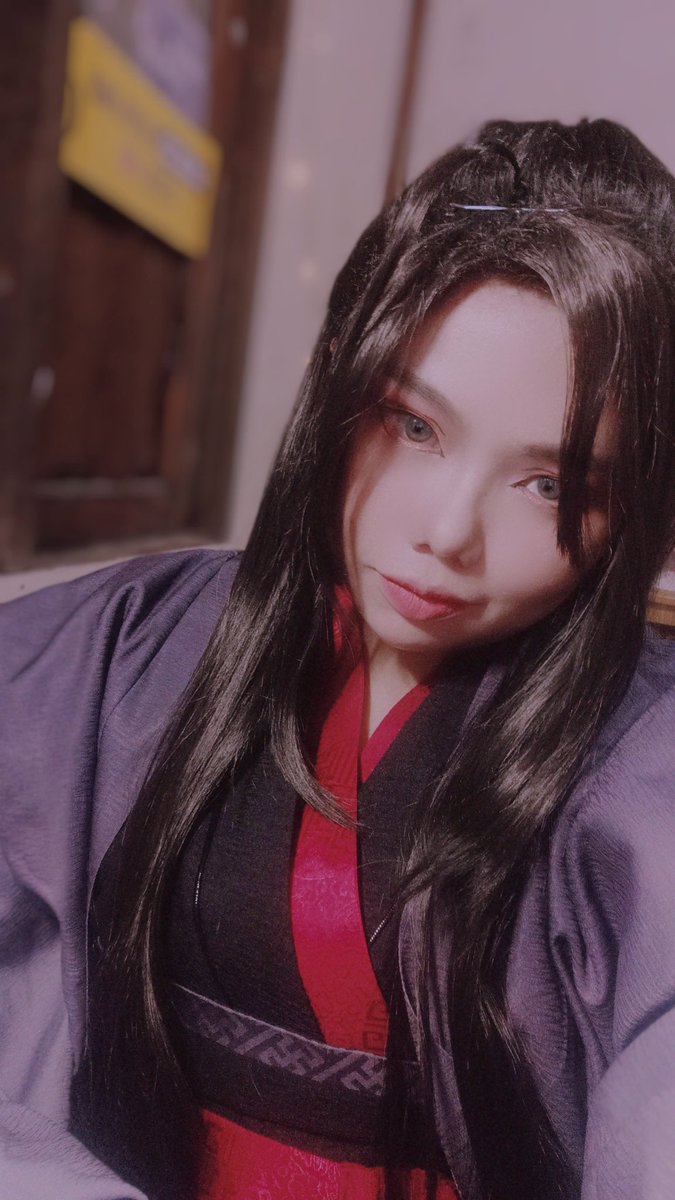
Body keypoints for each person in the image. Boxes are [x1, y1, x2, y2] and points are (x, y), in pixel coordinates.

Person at [1, 117, 674, 1200]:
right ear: (336, 387)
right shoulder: (124, 645)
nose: (447, 533)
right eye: (413, 426)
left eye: (552, 485)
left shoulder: (642, 763)